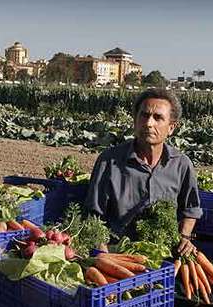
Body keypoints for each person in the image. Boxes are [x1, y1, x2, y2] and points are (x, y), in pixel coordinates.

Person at [85, 88, 202, 257]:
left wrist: (184, 237)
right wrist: (103, 255)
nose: (149, 123)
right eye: (144, 115)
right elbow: (94, 214)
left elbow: (191, 209)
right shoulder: (109, 161)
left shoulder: (181, 164)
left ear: (171, 128)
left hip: (165, 252)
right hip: (120, 252)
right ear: (135, 120)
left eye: (158, 118)